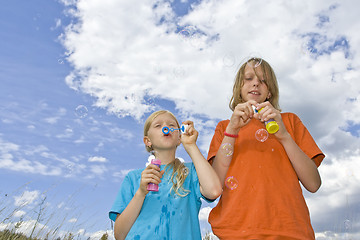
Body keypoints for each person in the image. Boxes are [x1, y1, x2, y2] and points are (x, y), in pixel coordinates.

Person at [207, 58, 325, 239]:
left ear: (270, 92)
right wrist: (232, 131)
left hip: (290, 230)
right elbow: (214, 185)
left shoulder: (289, 122)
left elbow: (313, 183)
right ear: (239, 88)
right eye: (248, 78)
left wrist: (284, 136)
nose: (256, 82)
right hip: (236, 231)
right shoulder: (225, 127)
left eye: (263, 80)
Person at [109, 110, 222, 240]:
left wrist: (191, 145)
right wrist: (140, 193)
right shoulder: (134, 178)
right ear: (147, 141)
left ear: (179, 138)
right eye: (158, 125)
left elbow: (214, 191)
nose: (166, 127)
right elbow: (119, 234)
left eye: (172, 125)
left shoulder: (191, 172)